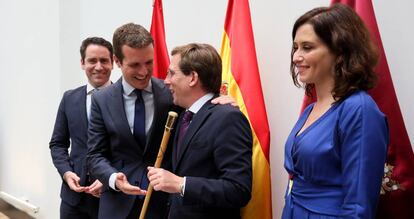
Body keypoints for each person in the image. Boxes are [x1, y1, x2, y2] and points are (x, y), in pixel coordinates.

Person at [86, 23, 236, 219]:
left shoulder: (172, 94)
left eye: (149, 62)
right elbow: (94, 155)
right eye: (135, 65)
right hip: (117, 205)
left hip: (163, 205)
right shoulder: (101, 99)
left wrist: (222, 101)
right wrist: (113, 178)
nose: (144, 71)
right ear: (117, 61)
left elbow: (201, 112)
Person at [282, 3, 389, 219]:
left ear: (340, 53)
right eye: (296, 47)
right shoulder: (311, 109)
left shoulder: (358, 110)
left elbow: (358, 206)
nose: (295, 57)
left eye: (307, 47)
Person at [147, 43, 252, 219]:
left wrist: (181, 184)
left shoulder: (228, 118)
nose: (165, 80)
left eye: (172, 73)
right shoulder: (183, 115)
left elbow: (238, 190)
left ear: (193, 78)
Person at [50, 37, 113, 219]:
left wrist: (109, 179)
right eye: (92, 61)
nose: (98, 66)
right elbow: (57, 144)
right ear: (82, 63)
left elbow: (131, 152)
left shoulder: (125, 100)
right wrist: (66, 172)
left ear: (113, 62)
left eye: (104, 61)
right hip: (73, 199)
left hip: (111, 198)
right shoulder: (69, 98)